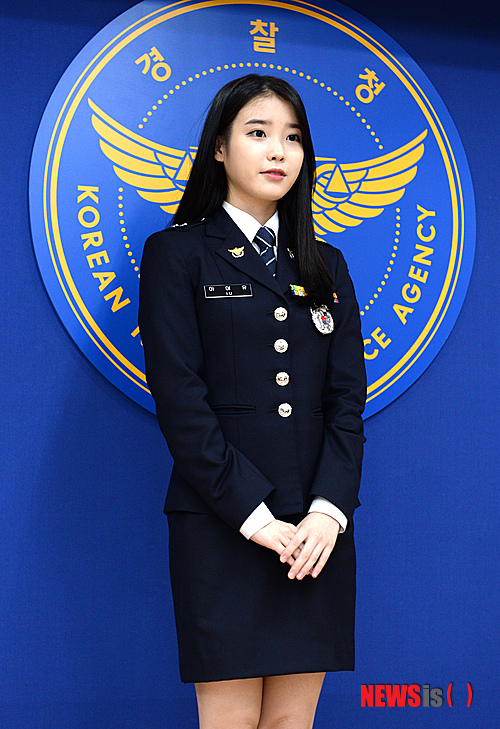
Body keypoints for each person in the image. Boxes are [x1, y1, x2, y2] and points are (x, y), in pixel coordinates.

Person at [139, 74, 366, 729]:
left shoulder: (326, 264)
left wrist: (328, 513)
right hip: (223, 522)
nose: (278, 152)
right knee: (230, 721)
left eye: (293, 138)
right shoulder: (177, 253)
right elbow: (181, 402)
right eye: (258, 133)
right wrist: (254, 516)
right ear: (219, 148)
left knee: (294, 722)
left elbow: (346, 403)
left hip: (313, 533)